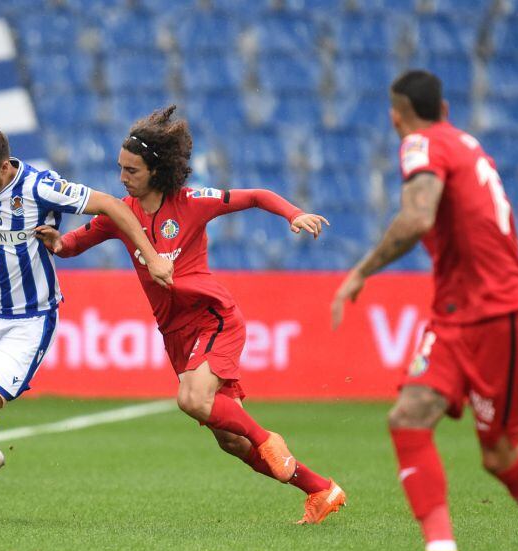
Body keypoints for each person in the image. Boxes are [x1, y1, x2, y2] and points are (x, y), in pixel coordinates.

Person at [332, 70, 518, 551]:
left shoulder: (420, 143)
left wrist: (362, 271)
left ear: (395, 116)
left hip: (504, 315)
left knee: (498, 454)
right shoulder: (463, 141)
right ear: (445, 107)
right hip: (456, 316)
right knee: (408, 417)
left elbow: (418, 217)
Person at [35, 106, 346, 525]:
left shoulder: (192, 203)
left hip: (212, 317)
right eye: (120, 168)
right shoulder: (119, 214)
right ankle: (321, 489)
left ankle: (268, 438)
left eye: (132, 171)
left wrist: (294, 214)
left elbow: (255, 196)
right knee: (231, 443)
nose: (122, 178)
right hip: (175, 333)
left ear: (157, 170)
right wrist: (56, 241)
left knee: (193, 400)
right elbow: (73, 245)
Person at [0, 123, 174, 523]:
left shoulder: (40, 188)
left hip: (29, 319)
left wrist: (152, 256)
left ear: (3, 168)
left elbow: (112, 206)